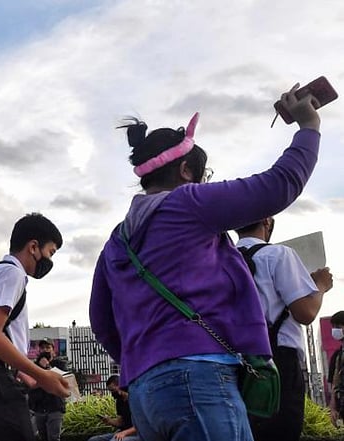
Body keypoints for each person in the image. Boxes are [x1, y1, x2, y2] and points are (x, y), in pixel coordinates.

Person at [90, 84, 324, 441]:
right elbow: (278, 186)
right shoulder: (188, 203)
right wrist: (309, 127)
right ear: (186, 171)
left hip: (145, 391)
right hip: (198, 379)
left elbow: (101, 320)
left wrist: (147, 356)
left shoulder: (117, 240)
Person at [0, 213, 70, 441]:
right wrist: (41, 374)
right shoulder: (12, 274)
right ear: (33, 246)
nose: (49, 261)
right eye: (50, 252)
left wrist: (26, 373)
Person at [235, 217, 334, 440]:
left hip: (233, 361)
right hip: (278, 361)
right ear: (267, 222)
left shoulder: (223, 259)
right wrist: (320, 285)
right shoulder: (279, 255)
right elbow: (306, 312)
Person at [87, 376, 138, 441]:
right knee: (93, 440)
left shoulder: (135, 400)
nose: (112, 393)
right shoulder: (120, 401)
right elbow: (120, 422)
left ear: (120, 386)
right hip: (123, 432)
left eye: (113, 390)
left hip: (137, 434)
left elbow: (141, 426)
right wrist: (109, 421)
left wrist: (124, 433)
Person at [28, 352, 65, 441]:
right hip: (39, 407)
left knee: (53, 437)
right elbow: (31, 384)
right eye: (43, 348)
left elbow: (62, 379)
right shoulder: (34, 367)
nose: (45, 350)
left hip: (55, 407)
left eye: (48, 347)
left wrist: (47, 367)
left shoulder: (59, 364)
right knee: (42, 436)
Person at [327, 311, 344, 425]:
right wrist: (332, 408)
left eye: (338, 327)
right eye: (333, 327)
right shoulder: (337, 356)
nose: (335, 330)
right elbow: (334, 385)